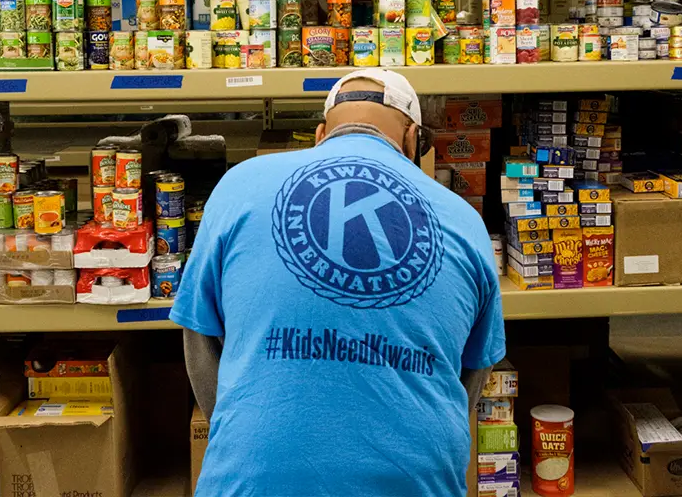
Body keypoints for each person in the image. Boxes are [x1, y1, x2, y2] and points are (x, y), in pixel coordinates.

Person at [171, 68, 506, 496]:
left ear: (320, 134)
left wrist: (242, 427)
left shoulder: (239, 186)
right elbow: (473, 373)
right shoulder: (465, 221)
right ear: (412, 141)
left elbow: (198, 335)